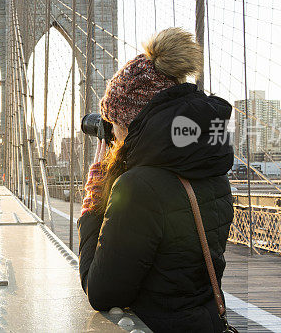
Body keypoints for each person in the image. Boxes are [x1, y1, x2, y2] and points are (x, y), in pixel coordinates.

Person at [77, 27, 235, 332]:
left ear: (132, 124)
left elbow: (101, 292)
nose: (115, 135)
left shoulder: (138, 188)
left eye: (116, 124)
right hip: (206, 322)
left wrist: (95, 201)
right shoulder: (212, 171)